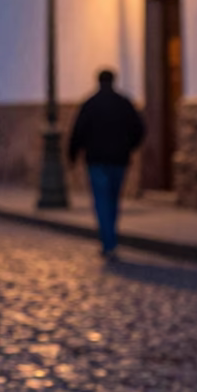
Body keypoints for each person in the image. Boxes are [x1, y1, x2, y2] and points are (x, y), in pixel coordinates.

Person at [67, 69, 145, 260]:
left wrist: (72, 156)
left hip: (97, 161)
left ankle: (108, 241)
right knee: (113, 199)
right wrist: (129, 147)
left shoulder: (90, 104)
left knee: (102, 200)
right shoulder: (124, 103)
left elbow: (78, 132)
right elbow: (139, 129)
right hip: (119, 160)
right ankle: (111, 237)